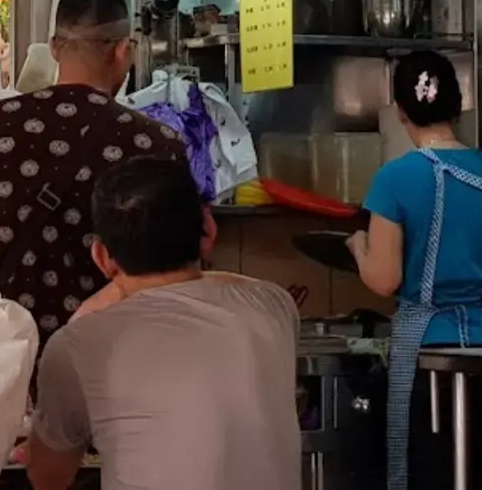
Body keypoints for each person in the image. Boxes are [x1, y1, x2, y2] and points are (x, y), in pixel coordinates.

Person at [26, 156, 301, 490]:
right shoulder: (274, 307)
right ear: (209, 229)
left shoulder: (77, 344)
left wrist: (95, 304)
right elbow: (230, 283)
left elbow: (47, 477)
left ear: (101, 256)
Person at [349, 51, 482, 490]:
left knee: (430, 475)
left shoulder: (393, 179)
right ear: (458, 107)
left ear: (400, 112)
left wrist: (359, 246)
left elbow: (385, 280)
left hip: (429, 355)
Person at [0, 0, 186, 347]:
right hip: (115, 351)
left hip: (14, 353)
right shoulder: (156, 143)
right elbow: (173, 275)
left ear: (54, 49)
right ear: (124, 51)